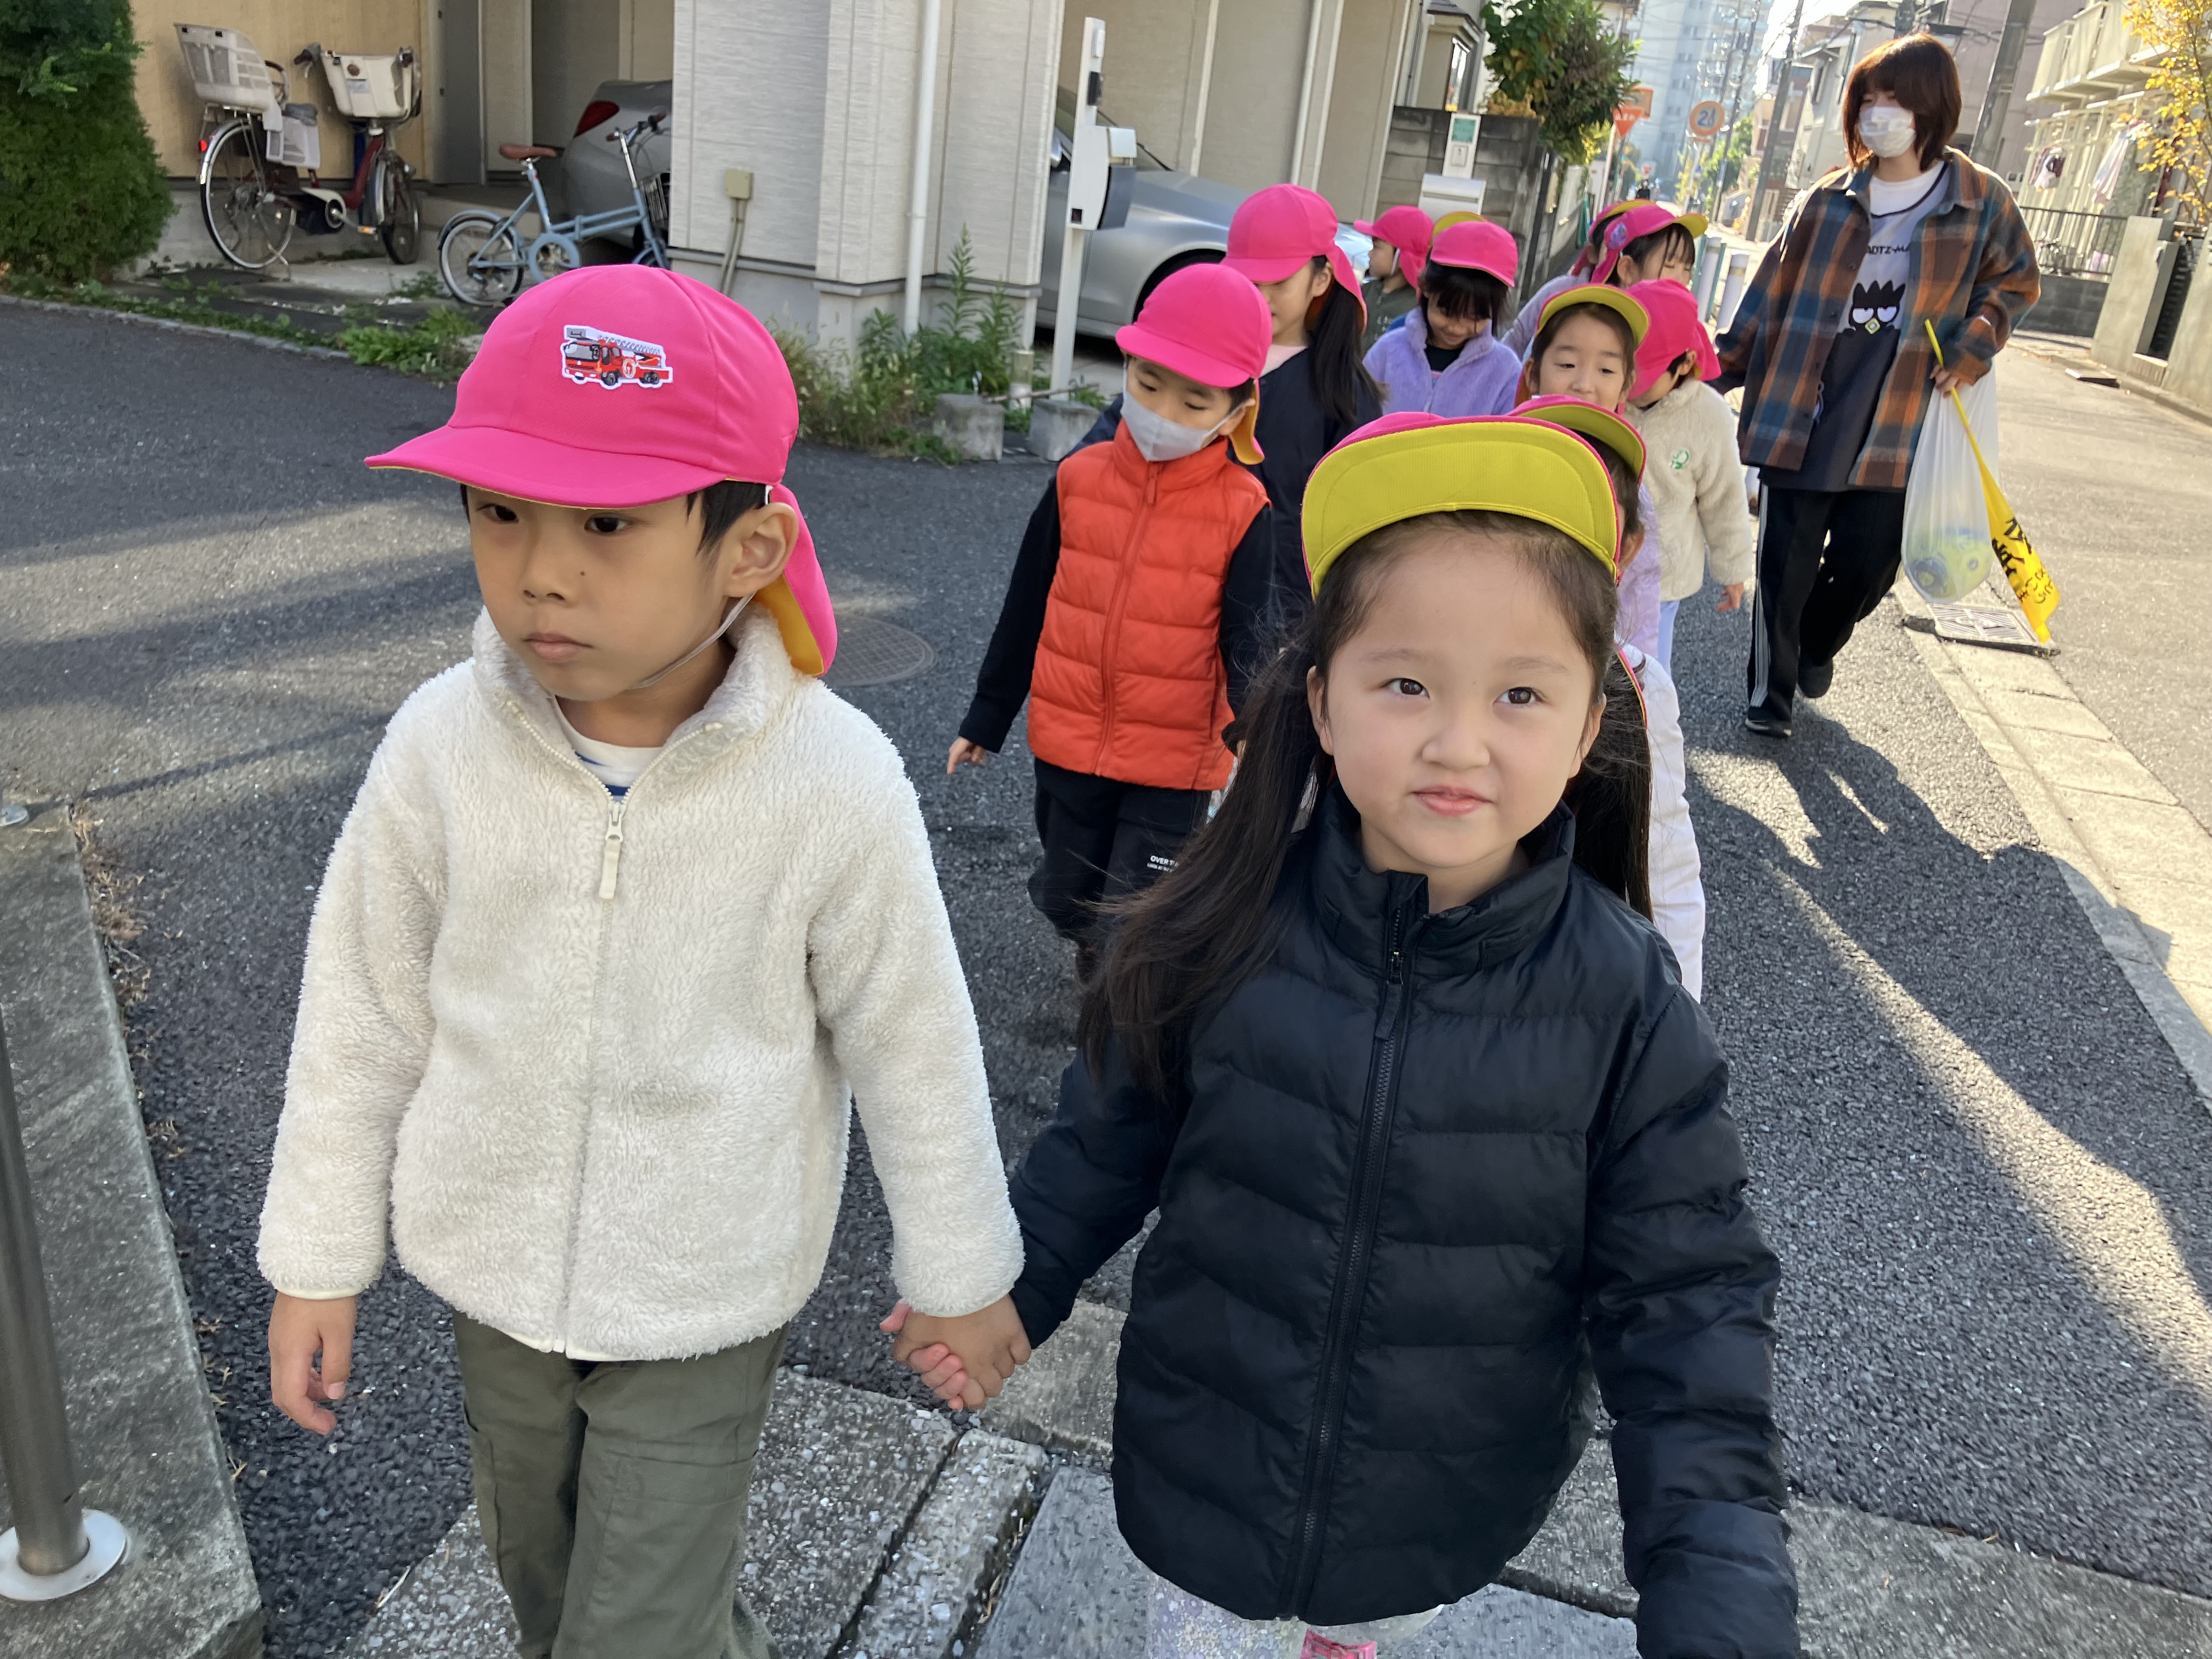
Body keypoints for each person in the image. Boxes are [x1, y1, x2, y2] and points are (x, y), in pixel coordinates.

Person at [900, 413, 1794, 1657]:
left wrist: (1720, 1587)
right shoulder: (1218, 922)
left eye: (1521, 693)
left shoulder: (1624, 999)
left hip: (1433, 1511)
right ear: (1320, 702)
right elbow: (1103, 1143)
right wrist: (1017, 1290)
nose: (1457, 741)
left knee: (1358, 1636)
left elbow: (1688, 1304)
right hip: (1205, 1478)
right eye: (1406, 683)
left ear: (1592, 724)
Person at [258, 266, 1031, 1659]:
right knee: (544, 1573)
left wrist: (962, 1269)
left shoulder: (831, 780)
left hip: (704, 1291)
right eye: (500, 511)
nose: (542, 571)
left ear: (748, 550)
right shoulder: (442, 747)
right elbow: (362, 1008)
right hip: (494, 1268)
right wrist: (318, 1256)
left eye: (608, 523)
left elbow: (911, 1034)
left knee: (637, 1625)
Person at [949, 262, 1277, 966]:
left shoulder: (1244, 509)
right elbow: (1027, 600)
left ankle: (1119, 1009)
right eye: (1148, 385)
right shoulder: (1078, 478)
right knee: (1069, 897)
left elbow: (1248, 635)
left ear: (1236, 412)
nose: (1164, 413)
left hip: (1175, 759)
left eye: (1195, 402)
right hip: (1070, 740)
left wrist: (1254, 733)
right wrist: (987, 715)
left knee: (1141, 918)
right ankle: (1096, 958)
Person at [1717, 31, 2038, 738]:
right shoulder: (1825, 199)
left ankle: (1818, 644)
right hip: (1806, 403)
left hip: (1903, 414)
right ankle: (1769, 697)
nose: (1878, 113)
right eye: (1868, 99)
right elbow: (1770, 293)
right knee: (1783, 565)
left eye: (1895, 99)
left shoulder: (1980, 199)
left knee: (1868, 565)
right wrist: (1717, 371)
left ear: (1932, 108)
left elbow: (2016, 281)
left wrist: (1975, 345)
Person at [1516, 393, 1709, 999]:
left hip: (1567, 981)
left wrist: (1678, 1011)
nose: (1560, 540)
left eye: (1587, 518)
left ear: (1626, 547)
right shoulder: (1438, 656)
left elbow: (1664, 862)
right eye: (1536, 509)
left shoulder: (1638, 685)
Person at [1221, 182, 1384, 623]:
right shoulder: (1203, 356)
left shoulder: (1342, 388)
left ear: (1321, 279)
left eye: (1278, 282)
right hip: (1187, 583)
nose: (1261, 296)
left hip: (1285, 609)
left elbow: (1359, 513)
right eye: (1248, 280)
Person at [1514, 284, 1663, 658]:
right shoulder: (1506, 455)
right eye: (1566, 365)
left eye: (1606, 370)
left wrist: (1633, 675)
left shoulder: (1629, 487)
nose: (1583, 385)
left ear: (1626, 386)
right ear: (1532, 374)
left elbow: (1640, 600)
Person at [1624, 279, 1755, 675]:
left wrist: (1733, 569)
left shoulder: (1708, 416)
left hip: (1664, 577)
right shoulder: (1609, 391)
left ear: (1684, 364)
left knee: (1647, 672)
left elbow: (1724, 498)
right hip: (1602, 564)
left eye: (1643, 375)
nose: (1628, 383)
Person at [1363, 219, 1522, 418]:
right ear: (1425, 288)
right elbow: (1358, 417)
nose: (1457, 328)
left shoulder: (1505, 372)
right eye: (1447, 313)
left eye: (1475, 317)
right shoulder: (1388, 352)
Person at [1501, 200, 1701, 358]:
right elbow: (1518, 343)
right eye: (1669, 265)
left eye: (1688, 269)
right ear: (1626, 268)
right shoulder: (1566, 301)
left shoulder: (1675, 325)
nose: (1681, 279)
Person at [1355, 202, 1433, 347]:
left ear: (1401, 258)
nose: (1370, 253)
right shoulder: (1363, 292)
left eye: (1377, 247)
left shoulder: (1419, 306)